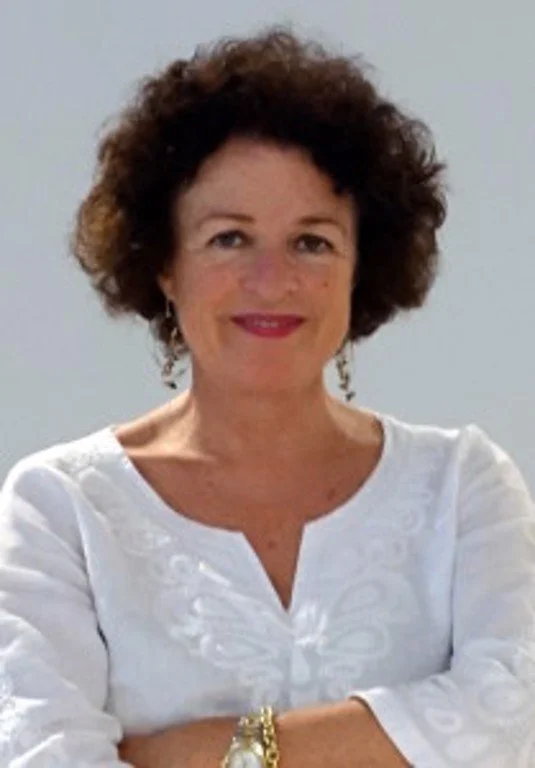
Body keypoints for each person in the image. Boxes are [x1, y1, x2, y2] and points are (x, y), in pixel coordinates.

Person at [1, 24, 534, 768]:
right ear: (161, 263)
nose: (272, 280)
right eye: (229, 238)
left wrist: (202, 752)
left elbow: (510, 720)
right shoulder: (61, 510)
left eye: (311, 241)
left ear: (361, 265)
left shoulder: (462, 488)